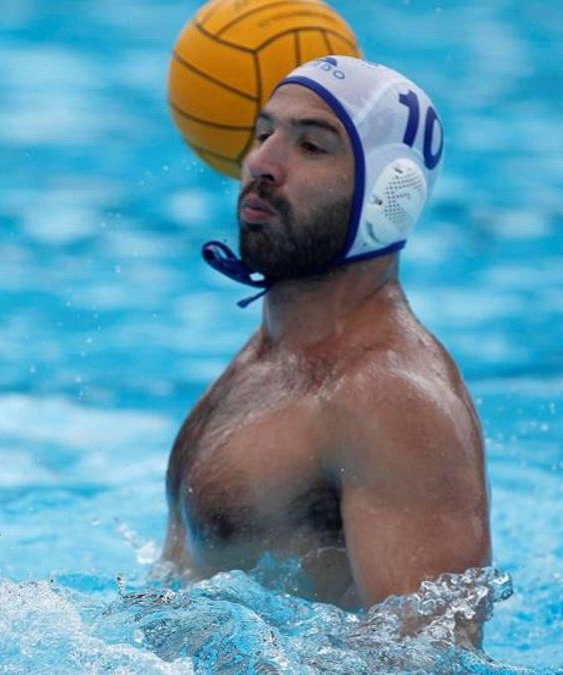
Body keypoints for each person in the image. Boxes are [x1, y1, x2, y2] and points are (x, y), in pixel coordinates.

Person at [162, 57, 491, 614]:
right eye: (265, 133)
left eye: (311, 147)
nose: (261, 163)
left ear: (390, 194)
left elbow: (430, 660)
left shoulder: (388, 399)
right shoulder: (278, 352)